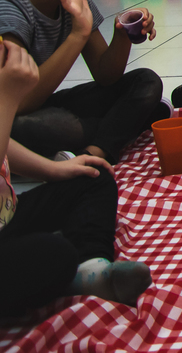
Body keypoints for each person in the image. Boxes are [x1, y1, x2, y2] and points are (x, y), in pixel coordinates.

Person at [0, 0, 165, 164]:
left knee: (145, 81)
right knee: (50, 127)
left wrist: (122, 34)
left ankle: (95, 151)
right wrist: (78, 34)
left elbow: (105, 75)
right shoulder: (9, 6)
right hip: (9, 114)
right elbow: (18, 103)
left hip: (41, 103)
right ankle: (123, 128)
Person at [0, 38, 153, 314]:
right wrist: (9, 98)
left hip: (7, 214)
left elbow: (107, 73)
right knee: (53, 255)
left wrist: (54, 170)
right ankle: (68, 276)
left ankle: (93, 267)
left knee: (93, 177)